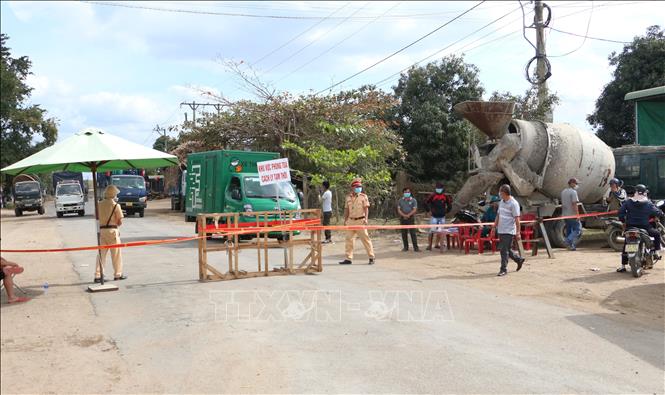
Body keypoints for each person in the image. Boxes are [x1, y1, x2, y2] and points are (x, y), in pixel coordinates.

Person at [617, 184, 665, 272]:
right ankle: (656, 253)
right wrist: (660, 214)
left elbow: (621, 212)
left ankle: (623, 266)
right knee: (657, 234)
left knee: (626, 244)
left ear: (635, 192)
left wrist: (623, 221)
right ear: (644, 193)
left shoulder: (628, 202)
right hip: (645, 228)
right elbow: (658, 212)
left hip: (630, 227)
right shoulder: (648, 203)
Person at [339, 179, 375, 265]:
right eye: (357, 187)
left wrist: (366, 219)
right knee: (349, 240)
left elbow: (366, 209)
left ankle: (371, 257)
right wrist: (345, 220)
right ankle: (348, 258)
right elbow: (346, 209)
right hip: (351, 221)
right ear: (352, 187)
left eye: (360, 187)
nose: (359, 188)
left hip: (360, 221)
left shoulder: (363, 196)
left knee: (365, 239)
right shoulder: (348, 197)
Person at [95, 185, 126, 283]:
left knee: (101, 255)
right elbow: (120, 222)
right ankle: (118, 274)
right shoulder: (116, 205)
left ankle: (98, 275)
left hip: (102, 232)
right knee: (116, 254)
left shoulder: (99, 204)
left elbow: (96, 217)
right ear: (113, 194)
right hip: (112, 232)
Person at [493, 184, 525, 276]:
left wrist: (518, 232)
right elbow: (498, 215)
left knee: (503, 250)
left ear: (505, 193)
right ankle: (519, 259)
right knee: (507, 249)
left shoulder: (514, 204)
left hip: (509, 230)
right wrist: (494, 226)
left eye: (501, 193)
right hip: (501, 229)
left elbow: (517, 219)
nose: (499, 194)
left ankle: (503, 269)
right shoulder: (501, 202)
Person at [425, 183, 451, 250]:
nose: (438, 189)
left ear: (442, 189)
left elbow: (450, 204)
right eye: (437, 188)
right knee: (431, 231)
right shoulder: (432, 196)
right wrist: (428, 211)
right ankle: (429, 245)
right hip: (434, 216)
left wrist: (446, 211)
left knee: (440, 231)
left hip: (442, 216)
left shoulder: (445, 196)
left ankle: (437, 244)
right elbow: (425, 203)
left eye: (440, 188)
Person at [561, 178, 582, 251]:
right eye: (576, 183)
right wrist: (577, 215)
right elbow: (574, 204)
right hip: (572, 214)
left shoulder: (563, 191)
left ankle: (571, 246)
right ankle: (567, 240)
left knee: (569, 230)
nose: (577, 185)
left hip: (565, 214)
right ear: (572, 183)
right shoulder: (573, 192)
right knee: (578, 230)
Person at [397, 187, 419, 252]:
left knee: (413, 233)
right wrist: (404, 215)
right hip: (402, 218)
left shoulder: (413, 200)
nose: (407, 193)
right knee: (404, 233)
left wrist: (408, 215)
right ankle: (405, 247)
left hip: (411, 218)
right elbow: (399, 209)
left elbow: (414, 209)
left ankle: (416, 248)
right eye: (406, 192)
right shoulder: (400, 200)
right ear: (403, 193)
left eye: (408, 192)